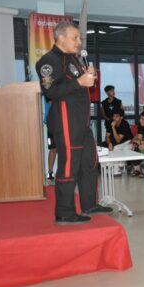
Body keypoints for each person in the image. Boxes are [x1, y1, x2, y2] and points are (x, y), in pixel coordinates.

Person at [36, 21, 112, 224]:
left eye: (79, 38)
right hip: (66, 121)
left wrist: (88, 78)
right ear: (61, 38)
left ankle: (89, 204)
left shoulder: (74, 60)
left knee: (89, 162)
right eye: (75, 38)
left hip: (82, 121)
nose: (79, 42)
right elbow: (51, 91)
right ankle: (64, 212)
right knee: (69, 165)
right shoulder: (48, 61)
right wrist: (79, 82)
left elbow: (77, 86)